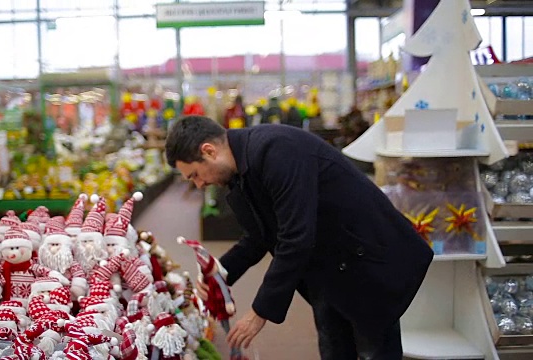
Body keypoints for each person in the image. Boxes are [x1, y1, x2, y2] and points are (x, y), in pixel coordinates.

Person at [164, 116, 433, 360]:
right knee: (335, 349)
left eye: (195, 175)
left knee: (375, 350)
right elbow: (259, 237)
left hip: (367, 262)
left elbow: (295, 236)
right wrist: (218, 275)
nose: (199, 185)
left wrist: (260, 312)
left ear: (208, 151)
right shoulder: (240, 176)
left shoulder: (276, 150)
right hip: (329, 270)